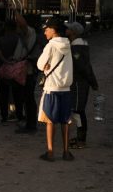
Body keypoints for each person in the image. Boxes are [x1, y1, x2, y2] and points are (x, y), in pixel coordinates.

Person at [36, 17, 74, 162]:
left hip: (52, 87)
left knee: (50, 120)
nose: (45, 33)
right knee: (65, 120)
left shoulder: (51, 45)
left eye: (46, 30)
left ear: (53, 30)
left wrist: (45, 66)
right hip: (66, 88)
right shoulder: (68, 45)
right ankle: (66, 152)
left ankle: (50, 152)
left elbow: (40, 64)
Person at [66, 21, 99, 149]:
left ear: (73, 32)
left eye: (68, 29)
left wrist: (92, 82)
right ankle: (80, 138)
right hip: (80, 83)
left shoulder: (76, 48)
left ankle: (81, 140)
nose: (66, 30)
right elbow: (88, 66)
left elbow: (83, 68)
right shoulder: (81, 46)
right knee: (78, 110)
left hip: (78, 83)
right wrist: (93, 82)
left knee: (78, 111)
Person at [15, 13, 42, 133]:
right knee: (28, 97)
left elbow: (22, 23)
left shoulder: (30, 32)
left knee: (28, 97)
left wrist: (13, 9)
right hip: (29, 70)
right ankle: (30, 123)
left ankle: (31, 125)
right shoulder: (32, 33)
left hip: (28, 70)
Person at [0, 20, 25, 124]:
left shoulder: (0, 40)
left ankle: (4, 116)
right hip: (17, 68)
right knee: (18, 93)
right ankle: (19, 114)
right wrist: (13, 62)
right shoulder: (19, 39)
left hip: (3, 68)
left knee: (3, 94)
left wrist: (6, 61)